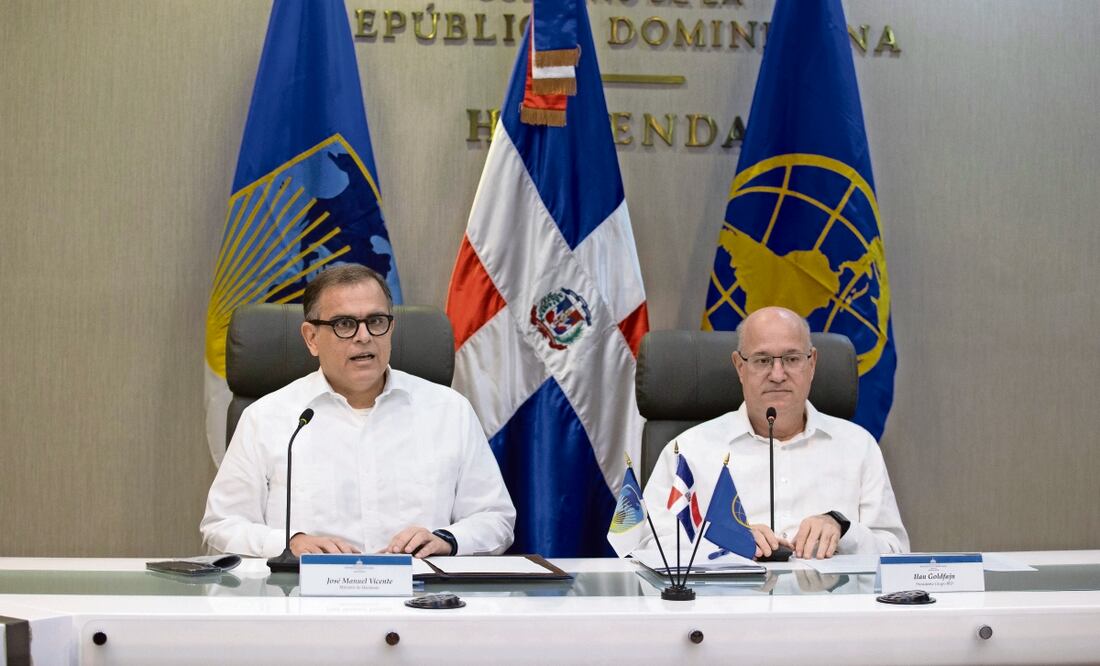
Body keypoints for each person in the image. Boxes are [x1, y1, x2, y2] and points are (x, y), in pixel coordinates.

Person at [200, 264, 515, 558]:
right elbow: (222, 525)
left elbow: (494, 519)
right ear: (311, 338)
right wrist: (289, 543)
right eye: (344, 324)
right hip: (304, 603)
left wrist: (447, 540)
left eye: (376, 321)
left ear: (390, 329)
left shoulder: (449, 411)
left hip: (421, 600)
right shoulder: (267, 418)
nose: (364, 337)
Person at [642, 306, 908, 559]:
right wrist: (726, 541)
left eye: (792, 359)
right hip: (728, 603)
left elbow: (896, 552)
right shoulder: (688, 451)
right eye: (762, 360)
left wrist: (843, 530)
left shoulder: (858, 446)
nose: (778, 374)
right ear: (740, 366)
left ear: (812, 363)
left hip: (830, 603)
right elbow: (646, 545)